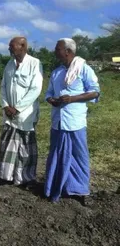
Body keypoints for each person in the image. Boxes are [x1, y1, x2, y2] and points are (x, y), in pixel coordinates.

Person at [44, 38, 100, 204]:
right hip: (58, 121)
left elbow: (95, 92)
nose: (55, 51)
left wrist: (73, 98)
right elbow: (48, 93)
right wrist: (52, 100)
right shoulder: (56, 72)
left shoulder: (84, 69)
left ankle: (80, 190)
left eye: (58, 48)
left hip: (75, 122)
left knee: (79, 156)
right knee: (56, 155)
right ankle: (56, 188)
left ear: (67, 51)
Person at [0, 37, 43, 187]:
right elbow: (3, 87)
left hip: (25, 113)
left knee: (25, 147)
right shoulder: (9, 64)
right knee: (8, 145)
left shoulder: (35, 63)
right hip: (9, 113)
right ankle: (6, 175)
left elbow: (35, 89)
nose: (9, 49)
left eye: (12, 46)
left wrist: (17, 108)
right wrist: (5, 106)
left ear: (22, 46)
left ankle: (25, 178)